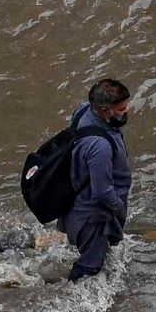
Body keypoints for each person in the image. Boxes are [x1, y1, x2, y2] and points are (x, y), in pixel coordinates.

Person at [63, 79, 133, 282]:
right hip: (94, 216)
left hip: (79, 205)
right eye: (121, 108)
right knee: (89, 266)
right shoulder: (99, 147)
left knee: (96, 255)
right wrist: (119, 208)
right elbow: (102, 191)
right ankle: (70, 296)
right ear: (105, 111)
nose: (126, 111)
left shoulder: (84, 111)